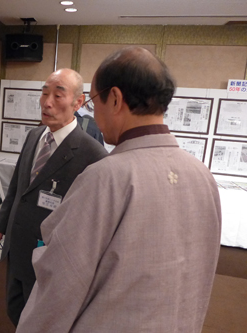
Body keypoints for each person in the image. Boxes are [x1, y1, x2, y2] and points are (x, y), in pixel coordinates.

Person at [16, 47, 222, 332]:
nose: (93, 111)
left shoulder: (106, 177)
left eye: (94, 100)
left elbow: (61, 282)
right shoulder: (203, 176)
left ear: (114, 98)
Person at [0, 68, 108, 326]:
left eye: (57, 95)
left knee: (41, 320)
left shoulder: (92, 154)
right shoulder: (33, 136)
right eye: (44, 93)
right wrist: (0, 226)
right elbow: (17, 188)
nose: (47, 102)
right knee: (15, 309)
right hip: (17, 247)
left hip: (51, 257)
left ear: (78, 102)